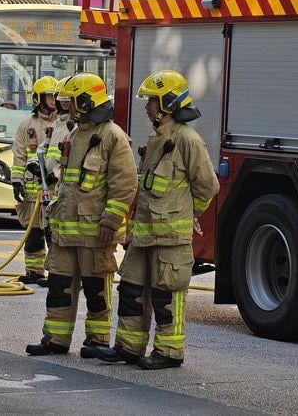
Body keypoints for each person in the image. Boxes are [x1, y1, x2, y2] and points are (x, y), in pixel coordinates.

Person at [93, 70, 219, 370]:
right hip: (143, 235)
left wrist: (189, 213)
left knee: (166, 296)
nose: (147, 107)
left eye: (151, 101)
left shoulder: (188, 140)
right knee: (131, 290)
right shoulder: (158, 139)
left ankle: (169, 352)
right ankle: (128, 347)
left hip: (170, 239)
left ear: (167, 103)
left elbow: (207, 186)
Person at [26, 73, 137, 358]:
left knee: (96, 290)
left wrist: (111, 222)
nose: (66, 107)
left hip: (94, 233)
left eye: (71, 101)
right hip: (65, 231)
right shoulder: (74, 134)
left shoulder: (113, 137)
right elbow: (67, 184)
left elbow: (124, 184)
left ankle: (97, 340)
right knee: (59, 287)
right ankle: (55, 339)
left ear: (86, 102)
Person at [10, 76, 59, 285]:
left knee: (53, 233)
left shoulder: (63, 125)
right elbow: (19, 156)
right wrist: (16, 181)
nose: (53, 100)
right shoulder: (26, 126)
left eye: (55, 96)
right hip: (32, 191)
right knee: (33, 234)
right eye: (49, 96)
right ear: (38, 98)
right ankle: (34, 271)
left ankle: (56, 273)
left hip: (54, 190)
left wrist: (54, 173)